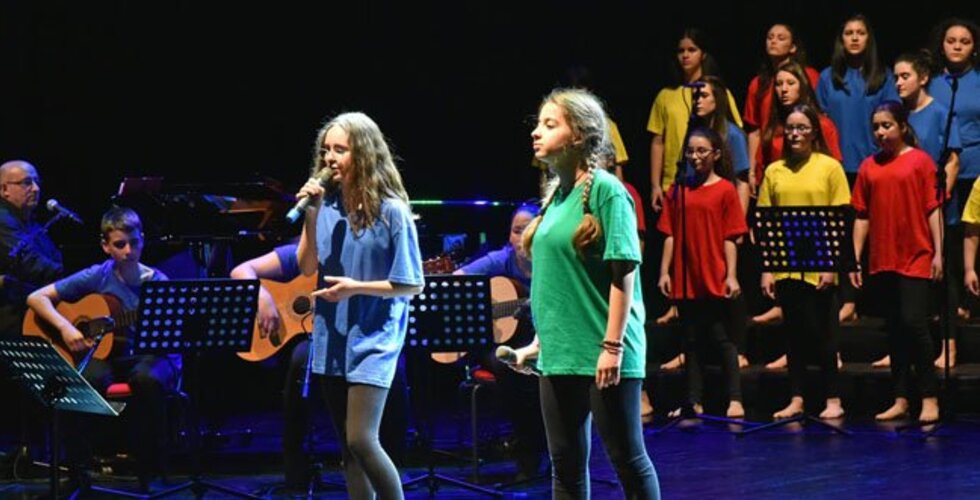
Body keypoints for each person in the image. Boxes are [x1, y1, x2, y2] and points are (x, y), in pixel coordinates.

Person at [510, 87, 659, 498]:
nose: (536, 132)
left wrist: (612, 346)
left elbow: (624, 272)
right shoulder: (555, 197)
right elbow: (559, 285)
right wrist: (538, 343)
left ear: (578, 136)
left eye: (549, 124)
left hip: (604, 349)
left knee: (627, 458)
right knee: (565, 466)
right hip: (560, 353)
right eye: (538, 124)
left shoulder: (607, 191)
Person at [295, 111, 423, 500]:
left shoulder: (392, 210)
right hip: (332, 335)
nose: (330, 158)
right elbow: (307, 266)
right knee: (348, 450)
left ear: (364, 153)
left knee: (362, 439)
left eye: (341, 149)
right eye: (326, 149)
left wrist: (356, 288)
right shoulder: (326, 205)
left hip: (373, 337)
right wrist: (311, 212)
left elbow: (412, 283)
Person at [230, 242, 409, 491]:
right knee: (300, 361)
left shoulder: (365, 252)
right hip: (313, 336)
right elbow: (241, 270)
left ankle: (391, 464)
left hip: (356, 337)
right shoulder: (304, 252)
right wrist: (262, 296)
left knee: (396, 371)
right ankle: (296, 467)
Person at [26, 206, 178, 491]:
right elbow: (37, 298)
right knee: (79, 382)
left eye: (135, 243)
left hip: (148, 355)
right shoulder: (98, 275)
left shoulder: (158, 282)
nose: (129, 251)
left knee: (147, 380)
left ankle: (152, 469)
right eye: (120, 245)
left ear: (143, 240)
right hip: (109, 355)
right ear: (106, 246)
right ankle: (79, 472)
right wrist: (67, 328)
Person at [850, 101, 942, 423]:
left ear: (902, 127)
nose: (880, 132)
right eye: (876, 126)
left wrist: (939, 251)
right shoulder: (868, 167)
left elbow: (933, 208)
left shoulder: (920, 162)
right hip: (883, 257)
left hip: (915, 254)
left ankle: (929, 397)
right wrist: (854, 258)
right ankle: (900, 398)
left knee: (914, 323)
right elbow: (862, 216)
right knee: (895, 330)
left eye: (886, 125)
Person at [758, 104, 849, 420]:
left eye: (802, 128)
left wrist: (830, 265)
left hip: (819, 263)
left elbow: (840, 218)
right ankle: (796, 398)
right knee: (793, 335)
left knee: (825, 334)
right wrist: (768, 269)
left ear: (814, 132)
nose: (795, 134)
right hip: (787, 263)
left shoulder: (829, 167)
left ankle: (833, 398)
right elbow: (767, 223)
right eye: (790, 128)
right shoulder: (774, 171)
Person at [873, 50, 962, 369]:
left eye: (905, 76)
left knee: (943, 276)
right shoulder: (895, 115)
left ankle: (949, 344)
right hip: (902, 212)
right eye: (896, 77)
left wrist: (939, 194)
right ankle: (899, 348)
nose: (898, 82)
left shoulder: (939, 112)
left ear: (922, 78)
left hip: (934, 205)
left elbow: (953, 159)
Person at [452, 203, 548, 480]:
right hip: (501, 348)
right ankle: (527, 449)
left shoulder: (553, 262)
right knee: (506, 365)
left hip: (544, 342)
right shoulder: (501, 259)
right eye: (515, 231)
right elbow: (457, 280)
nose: (519, 238)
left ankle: (543, 445)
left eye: (526, 230)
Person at [657, 127, 747, 419]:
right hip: (687, 274)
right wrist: (665, 271)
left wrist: (731, 274)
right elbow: (669, 233)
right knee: (691, 340)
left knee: (722, 338)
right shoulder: (678, 191)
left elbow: (731, 236)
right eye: (691, 151)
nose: (695, 157)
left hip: (713, 271)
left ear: (716, 154)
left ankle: (735, 398)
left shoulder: (725, 190)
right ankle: (693, 401)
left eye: (701, 151)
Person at [928, 17, 980, 368]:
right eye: (951, 40)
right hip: (943, 169)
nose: (957, 46)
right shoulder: (932, 82)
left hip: (976, 169)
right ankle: (950, 304)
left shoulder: (978, 82)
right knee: (946, 238)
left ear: (974, 47)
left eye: (964, 41)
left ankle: (970, 301)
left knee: (972, 235)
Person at [648, 27, 742, 212]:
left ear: (703, 54)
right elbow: (658, 142)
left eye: (692, 50)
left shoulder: (718, 92)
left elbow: (733, 135)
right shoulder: (666, 95)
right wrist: (655, 185)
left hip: (713, 181)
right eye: (681, 51)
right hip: (675, 183)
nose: (685, 55)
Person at [744, 23, 822, 191]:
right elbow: (754, 130)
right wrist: (751, 170)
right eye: (770, 37)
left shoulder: (810, 76)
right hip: (770, 157)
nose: (773, 41)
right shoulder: (758, 84)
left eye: (781, 38)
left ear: (793, 47)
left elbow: (819, 118)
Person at [0, 160, 63, 337]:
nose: (35, 189)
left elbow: (53, 258)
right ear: (4, 189)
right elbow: (30, 263)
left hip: (29, 314)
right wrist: (72, 280)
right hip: (10, 320)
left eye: (37, 182)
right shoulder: (2, 219)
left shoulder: (31, 223)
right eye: (27, 183)